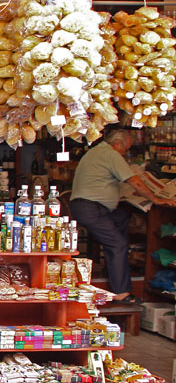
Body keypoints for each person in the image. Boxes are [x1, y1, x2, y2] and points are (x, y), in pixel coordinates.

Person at [70, 129, 175, 304]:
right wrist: (156, 198)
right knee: (117, 244)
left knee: (121, 217)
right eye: (126, 149)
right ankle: (121, 293)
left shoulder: (97, 151)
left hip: (92, 207)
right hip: (91, 208)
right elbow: (134, 181)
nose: (125, 154)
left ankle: (114, 267)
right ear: (118, 144)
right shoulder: (110, 154)